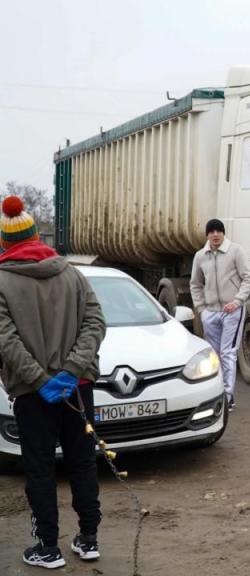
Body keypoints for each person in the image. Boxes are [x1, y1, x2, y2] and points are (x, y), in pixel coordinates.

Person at [0, 195, 107, 568]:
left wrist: (42, 379)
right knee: (82, 463)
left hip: (33, 395)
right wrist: (72, 372)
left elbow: (6, 341)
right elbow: (96, 323)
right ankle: (89, 539)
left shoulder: (2, 281)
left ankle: (48, 547)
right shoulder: (72, 274)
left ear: (5, 242)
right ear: (36, 236)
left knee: (40, 469)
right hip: (79, 390)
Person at [190, 218, 250, 411]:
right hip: (210, 313)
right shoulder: (200, 256)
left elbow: (248, 278)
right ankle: (214, 394)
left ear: (223, 233)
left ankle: (228, 396)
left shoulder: (235, 251)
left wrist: (237, 301)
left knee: (228, 353)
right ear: (207, 235)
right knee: (213, 356)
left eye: (219, 231)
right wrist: (201, 310)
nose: (215, 234)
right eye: (211, 231)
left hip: (232, 311)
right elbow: (195, 284)